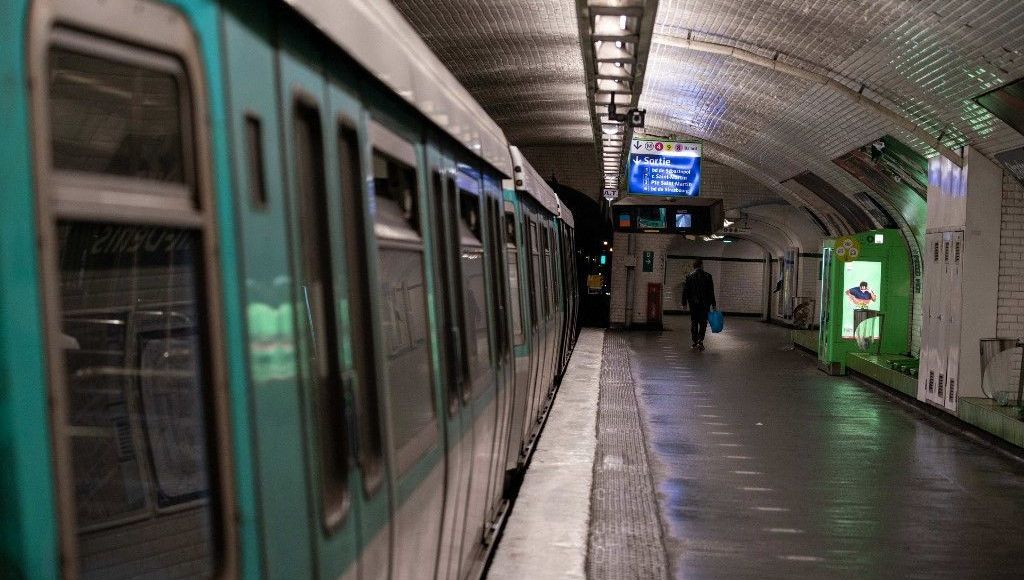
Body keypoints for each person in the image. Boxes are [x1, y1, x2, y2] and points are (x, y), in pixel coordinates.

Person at [682, 258, 717, 351]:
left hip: (693, 304)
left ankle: (694, 342)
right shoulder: (708, 276)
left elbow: (685, 291)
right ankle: (700, 341)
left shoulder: (689, 276)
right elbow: (711, 292)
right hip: (705, 305)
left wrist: (684, 303)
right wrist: (714, 304)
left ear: (694, 266)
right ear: (701, 265)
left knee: (694, 322)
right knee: (703, 323)